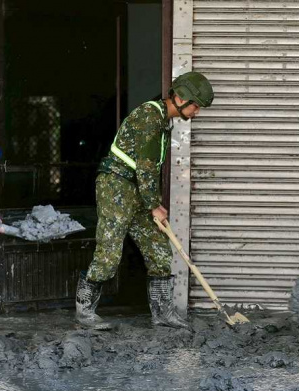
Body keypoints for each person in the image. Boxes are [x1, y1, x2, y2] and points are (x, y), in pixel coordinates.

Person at [75, 72, 214, 330]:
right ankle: (85, 312)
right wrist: (154, 204)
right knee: (109, 253)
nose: (197, 112)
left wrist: (150, 202)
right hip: (116, 188)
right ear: (181, 98)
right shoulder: (151, 117)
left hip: (136, 190)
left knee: (159, 248)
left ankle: (163, 313)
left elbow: (147, 171)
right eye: (196, 105)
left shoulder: (163, 121)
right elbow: (147, 167)